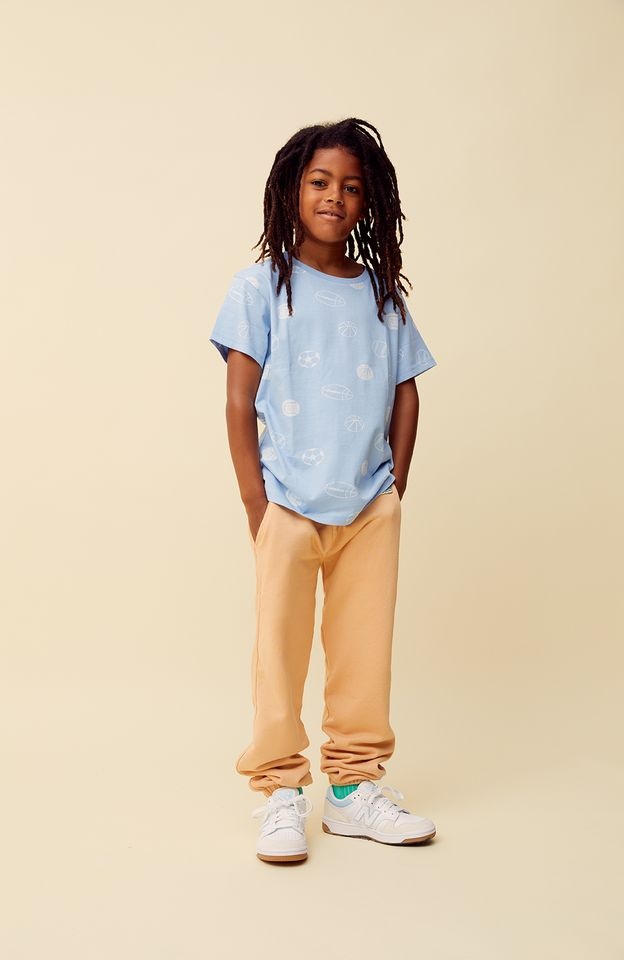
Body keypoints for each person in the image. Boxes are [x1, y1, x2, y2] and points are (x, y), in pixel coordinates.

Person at [208, 117, 438, 863]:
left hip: (368, 506)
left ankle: (351, 791)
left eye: (351, 186)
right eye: (319, 181)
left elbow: (407, 390)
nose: (334, 196)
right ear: (290, 190)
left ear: (370, 203)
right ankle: (281, 791)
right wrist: (256, 503)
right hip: (287, 501)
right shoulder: (260, 287)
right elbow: (238, 400)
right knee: (278, 653)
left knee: (364, 651)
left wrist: (395, 485)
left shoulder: (381, 293)